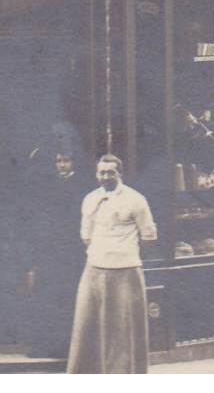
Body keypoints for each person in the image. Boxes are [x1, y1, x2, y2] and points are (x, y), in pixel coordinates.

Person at [67, 154, 157, 374]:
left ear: (120, 173)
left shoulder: (136, 199)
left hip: (126, 271)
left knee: (123, 330)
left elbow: (149, 236)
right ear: (96, 174)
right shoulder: (89, 199)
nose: (105, 177)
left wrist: (126, 255)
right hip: (94, 269)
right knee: (88, 327)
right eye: (101, 172)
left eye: (110, 172)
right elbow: (85, 236)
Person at [26, 150, 84, 359]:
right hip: (49, 249)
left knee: (68, 298)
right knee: (47, 297)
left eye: (66, 160)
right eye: (59, 161)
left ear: (74, 163)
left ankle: (67, 348)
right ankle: (45, 346)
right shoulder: (48, 185)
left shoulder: (81, 186)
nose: (62, 165)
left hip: (71, 250)